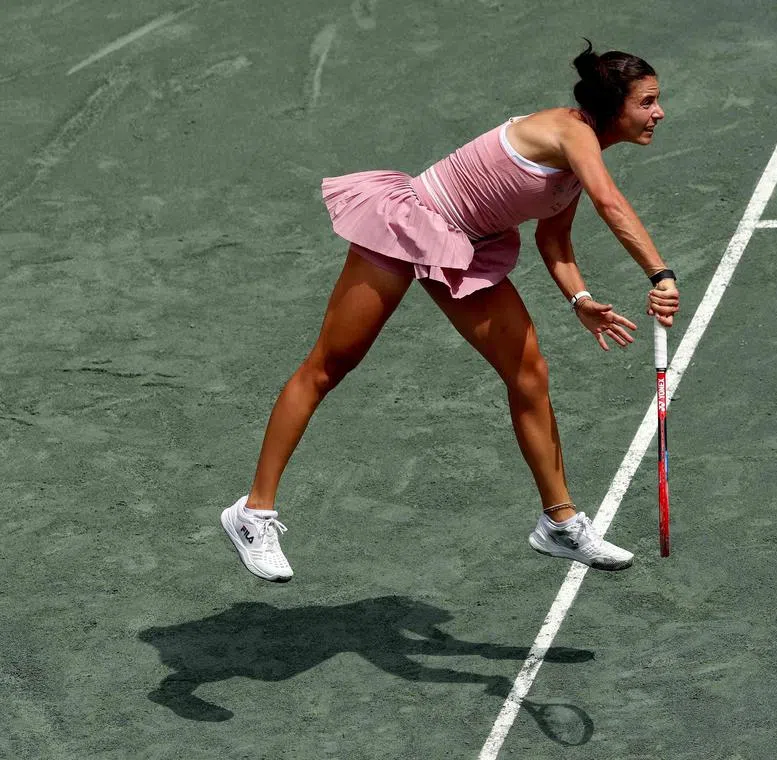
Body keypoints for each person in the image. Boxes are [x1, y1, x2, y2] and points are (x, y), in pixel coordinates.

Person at [221, 41, 680, 582]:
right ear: (613, 105)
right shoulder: (571, 132)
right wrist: (660, 274)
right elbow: (611, 204)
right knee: (330, 365)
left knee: (528, 373)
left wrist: (579, 301)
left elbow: (554, 238)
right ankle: (252, 513)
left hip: (466, 248)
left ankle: (558, 523)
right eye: (647, 102)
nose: (659, 113)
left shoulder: (582, 154)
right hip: (412, 225)